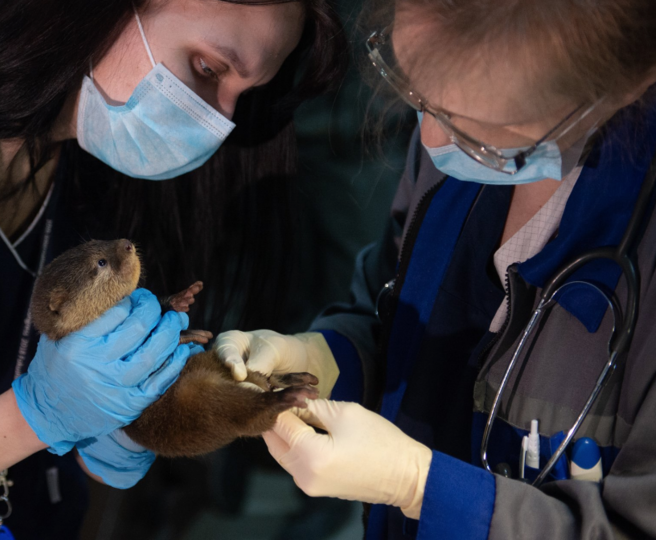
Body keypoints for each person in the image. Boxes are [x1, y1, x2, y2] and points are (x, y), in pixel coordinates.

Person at [0, 0, 347, 538]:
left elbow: (90, 460)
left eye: (242, 100)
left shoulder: (98, 166)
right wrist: (35, 416)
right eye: (206, 69)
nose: (218, 123)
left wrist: (141, 413)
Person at [215, 0, 656, 538]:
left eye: (478, 130)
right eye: (419, 97)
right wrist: (329, 359)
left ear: (624, 86)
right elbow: (390, 308)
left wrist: (424, 489)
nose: (429, 142)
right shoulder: (453, 146)